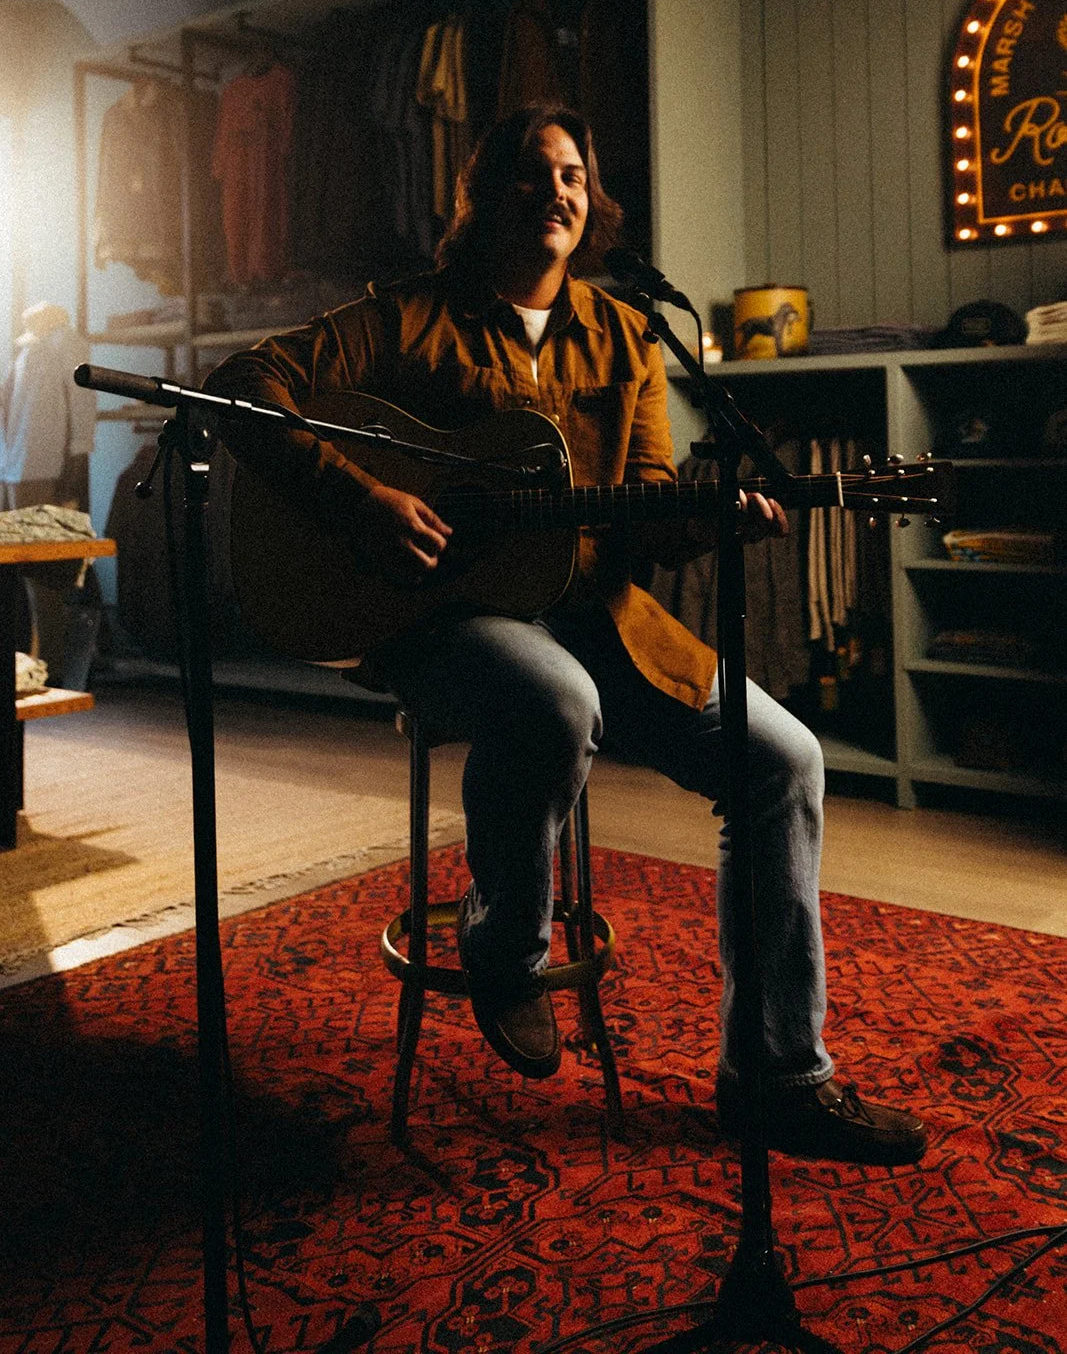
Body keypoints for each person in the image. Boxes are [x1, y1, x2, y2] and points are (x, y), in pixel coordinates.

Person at [204, 104, 926, 1166]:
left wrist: (700, 518)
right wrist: (363, 498)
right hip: (436, 620)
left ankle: (774, 1075)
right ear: (482, 195)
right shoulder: (406, 317)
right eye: (534, 174)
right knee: (553, 700)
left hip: (597, 613)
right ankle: (503, 945)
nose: (559, 192)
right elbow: (244, 387)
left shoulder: (627, 330)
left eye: (576, 176)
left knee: (783, 759)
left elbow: (640, 500)